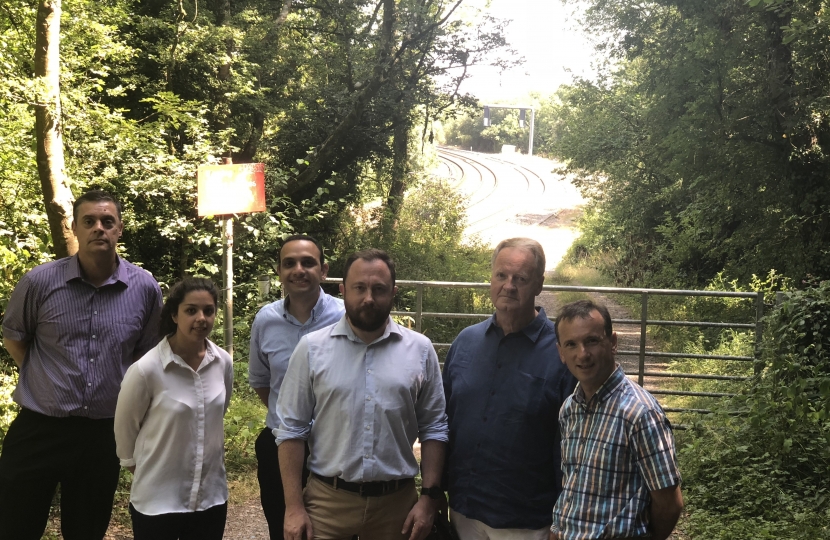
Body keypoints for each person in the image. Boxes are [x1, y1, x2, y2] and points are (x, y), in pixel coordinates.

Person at [0, 189, 163, 540]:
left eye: (108, 222)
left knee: (86, 530)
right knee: (15, 526)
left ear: (120, 229)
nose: (98, 229)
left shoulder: (145, 288)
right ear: (75, 227)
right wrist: (45, 376)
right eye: (89, 222)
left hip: (102, 435)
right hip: (39, 429)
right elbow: (13, 336)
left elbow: (146, 356)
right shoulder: (40, 282)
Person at [276, 248, 448, 540]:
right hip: (327, 505)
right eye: (359, 288)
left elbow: (434, 427)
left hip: (396, 508)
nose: (369, 298)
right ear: (343, 290)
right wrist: (293, 507)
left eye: (379, 289)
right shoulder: (312, 348)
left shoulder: (419, 350)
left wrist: (429, 498)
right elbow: (291, 430)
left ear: (393, 292)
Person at [443, 237, 578, 540]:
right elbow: (443, 423)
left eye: (521, 278)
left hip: (528, 521)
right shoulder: (465, 342)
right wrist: (434, 492)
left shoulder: (561, 353)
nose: (509, 286)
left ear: (539, 284)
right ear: (490, 278)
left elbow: (574, 441)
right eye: (501, 276)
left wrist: (566, 517)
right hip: (464, 513)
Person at [550, 300, 683, 540]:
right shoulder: (569, 409)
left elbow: (670, 503)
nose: (582, 354)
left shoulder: (640, 414)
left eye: (591, 340)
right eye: (571, 344)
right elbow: (573, 485)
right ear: (561, 352)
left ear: (612, 343)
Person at [114, 277, 233, 540]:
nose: (201, 318)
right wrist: (153, 472)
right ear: (174, 315)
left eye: (208, 311)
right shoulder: (147, 370)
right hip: (157, 503)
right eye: (191, 310)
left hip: (210, 498)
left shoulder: (222, 362)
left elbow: (216, 413)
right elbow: (125, 436)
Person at [248, 234, 344, 538]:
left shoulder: (344, 316)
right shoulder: (266, 320)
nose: (298, 270)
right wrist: (290, 417)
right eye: (289, 263)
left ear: (324, 270)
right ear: (279, 271)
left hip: (334, 447)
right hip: (277, 443)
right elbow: (262, 382)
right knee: (284, 529)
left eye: (307, 262)